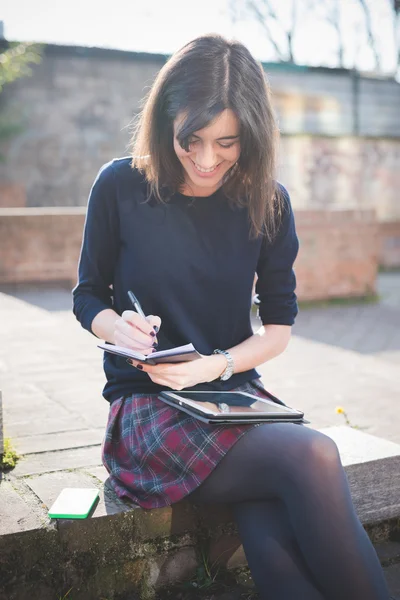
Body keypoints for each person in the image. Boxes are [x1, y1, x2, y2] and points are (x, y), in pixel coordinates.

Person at [73, 34, 392, 600]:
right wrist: (115, 326)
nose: (204, 159)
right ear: (165, 121)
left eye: (226, 143)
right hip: (146, 409)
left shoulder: (268, 202)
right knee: (312, 455)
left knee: (269, 508)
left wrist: (215, 367)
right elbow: (88, 296)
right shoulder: (120, 184)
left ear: (255, 134)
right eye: (189, 140)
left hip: (229, 396)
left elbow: (278, 332)